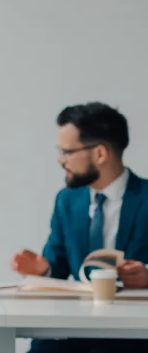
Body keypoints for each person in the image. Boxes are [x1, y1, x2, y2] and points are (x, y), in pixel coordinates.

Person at [11, 102, 148, 353]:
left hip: (136, 334)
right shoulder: (67, 201)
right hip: (74, 330)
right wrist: (43, 270)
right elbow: (58, 267)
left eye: (67, 152)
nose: (60, 160)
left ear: (100, 154)